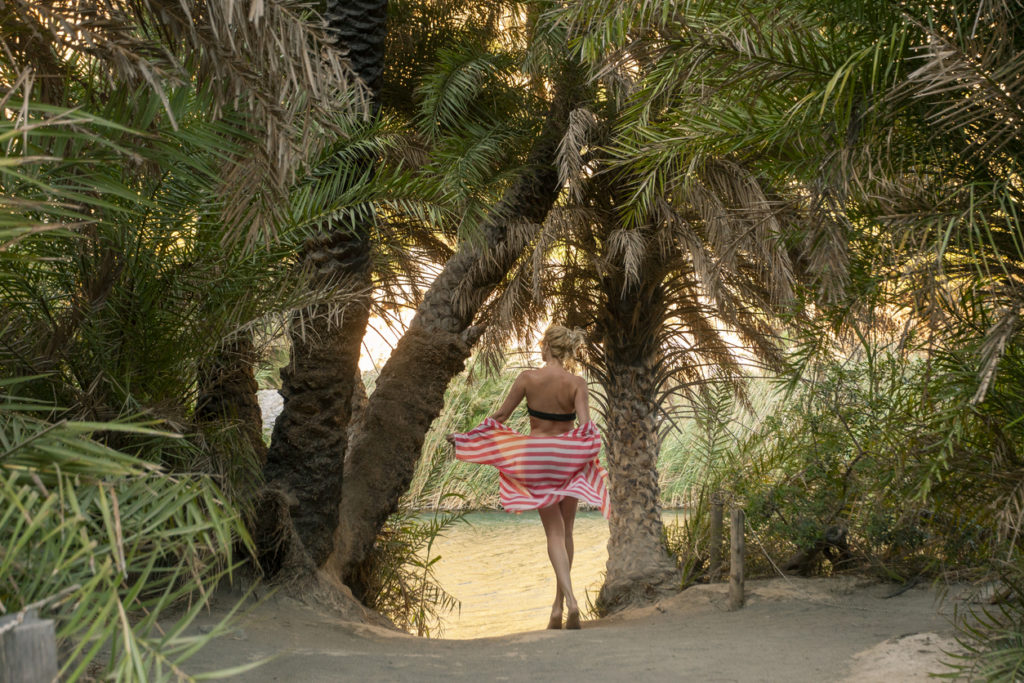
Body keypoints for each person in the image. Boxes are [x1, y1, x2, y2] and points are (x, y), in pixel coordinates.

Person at [447, 325, 609, 631]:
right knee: (568, 532)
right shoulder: (577, 383)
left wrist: (467, 438)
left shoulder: (527, 378)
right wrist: (588, 457)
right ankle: (562, 605)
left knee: (554, 534)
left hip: (535, 457)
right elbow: (586, 426)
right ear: (567, 350)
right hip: (566, 458)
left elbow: (501, 417)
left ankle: (564, 606)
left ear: (546, 347)